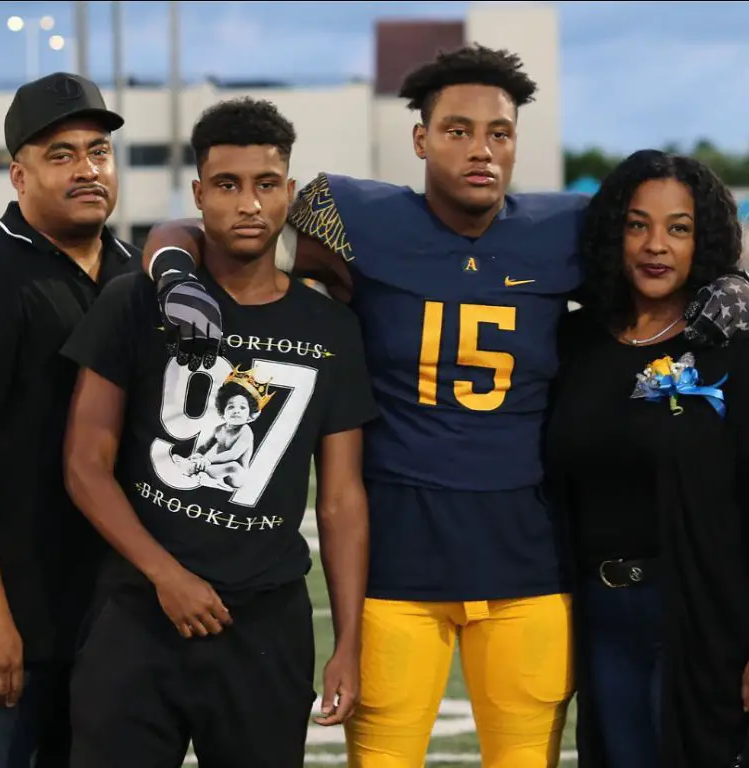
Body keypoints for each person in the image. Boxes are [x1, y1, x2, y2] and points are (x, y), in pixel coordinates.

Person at [139, 47, 749, 768]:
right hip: (399, 560)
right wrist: (172, 264)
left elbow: (671, 243)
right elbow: (210, 222)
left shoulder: (572, 228)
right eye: (458, 130)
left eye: (500, 132)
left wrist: (734, 280)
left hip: (527, 560)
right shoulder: (348, 214)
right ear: (421, 138)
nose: (482, 150)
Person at [61, 97, 376, 768]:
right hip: (138, 616)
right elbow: (85, 463)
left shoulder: (331, 328)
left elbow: (342, 498)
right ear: (199, 194)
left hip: (264, 623)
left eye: (266, 185)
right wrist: (165, 575)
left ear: (288, 193)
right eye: (227, 185)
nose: (248, 204)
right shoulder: (137, 300)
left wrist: (348, 641)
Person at [545, 150, 749, 768]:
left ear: (704, 240)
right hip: (599, 615)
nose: (656, 245)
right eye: (638, 224)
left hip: (704, 611)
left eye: (679, 228)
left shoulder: (730, 344)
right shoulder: (572, 342)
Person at [0, 72, 136, 768]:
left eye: (98, 152)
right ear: (19, 174)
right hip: (13, 625)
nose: (87, 170)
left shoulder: (138, 278)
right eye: (61, 154)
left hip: (111, 628)